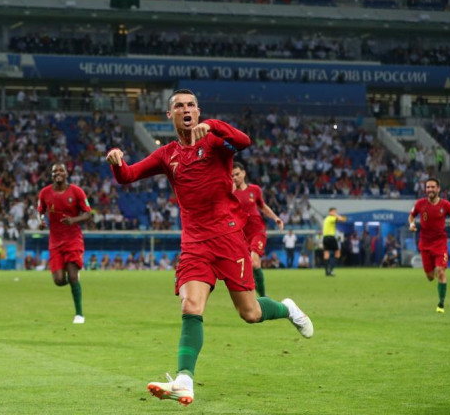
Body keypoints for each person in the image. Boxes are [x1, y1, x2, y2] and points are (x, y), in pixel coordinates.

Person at [106, 89, 312, 406]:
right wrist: (117, 162)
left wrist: (215, 126)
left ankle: (287, 309)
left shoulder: (215, 142)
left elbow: (244, 142)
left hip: (229, 239)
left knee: (250, 313)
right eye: (179, 106)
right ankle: (185, 380)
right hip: (194, 244)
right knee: (190, 307)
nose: (186, 110)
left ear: (198, 112)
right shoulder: (166, 155)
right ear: (169, 115)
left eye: (191, 105)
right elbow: (128, 176)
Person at [37, 163, 92, 324]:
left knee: (73, 275)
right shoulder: (45, 193)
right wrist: (40, 221)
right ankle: (74, 281)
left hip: (73, 239)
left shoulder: (76, 192)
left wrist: (73, 220)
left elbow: (88, 214)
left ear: (66, 174)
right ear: (51, 175)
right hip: (55, 241)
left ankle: (79, 314)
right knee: (59, 280)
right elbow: (40, 211)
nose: (57, 173)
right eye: (55, 171)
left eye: (61, 171)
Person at [231, 162, 284, 297]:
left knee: (254, 262)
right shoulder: (229, 193)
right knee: (246, 266)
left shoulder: (255, 190)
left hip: (257, 230)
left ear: (244, 173)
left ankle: (263, 296)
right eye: (232, 176)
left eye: (237, 174)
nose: (235, 178)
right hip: (240, 233)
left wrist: (275, 218)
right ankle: (254, 293)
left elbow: (263, 206)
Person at [409, 178, 450, 313]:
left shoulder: (446, 205)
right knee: (430, 277)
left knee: (441, 272)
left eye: (432, 187)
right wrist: (411, 224)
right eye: (428, 187)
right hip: (424, 244)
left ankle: (441, 304)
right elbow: (411, 216)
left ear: (438, 189)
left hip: (440, 243)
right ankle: (437, 275)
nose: (430, 190)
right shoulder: (420, 204)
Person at [322, 208, 347, 276]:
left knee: (326, 254)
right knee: (338, 254)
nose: (335, 213)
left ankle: (327, 272)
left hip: (325, 238)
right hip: (331, 238)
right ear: (330, 212)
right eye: (334, 211)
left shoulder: (326, 218)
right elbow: (342, 219)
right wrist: (336, 214)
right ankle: (330, 270)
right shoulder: (331, 217)